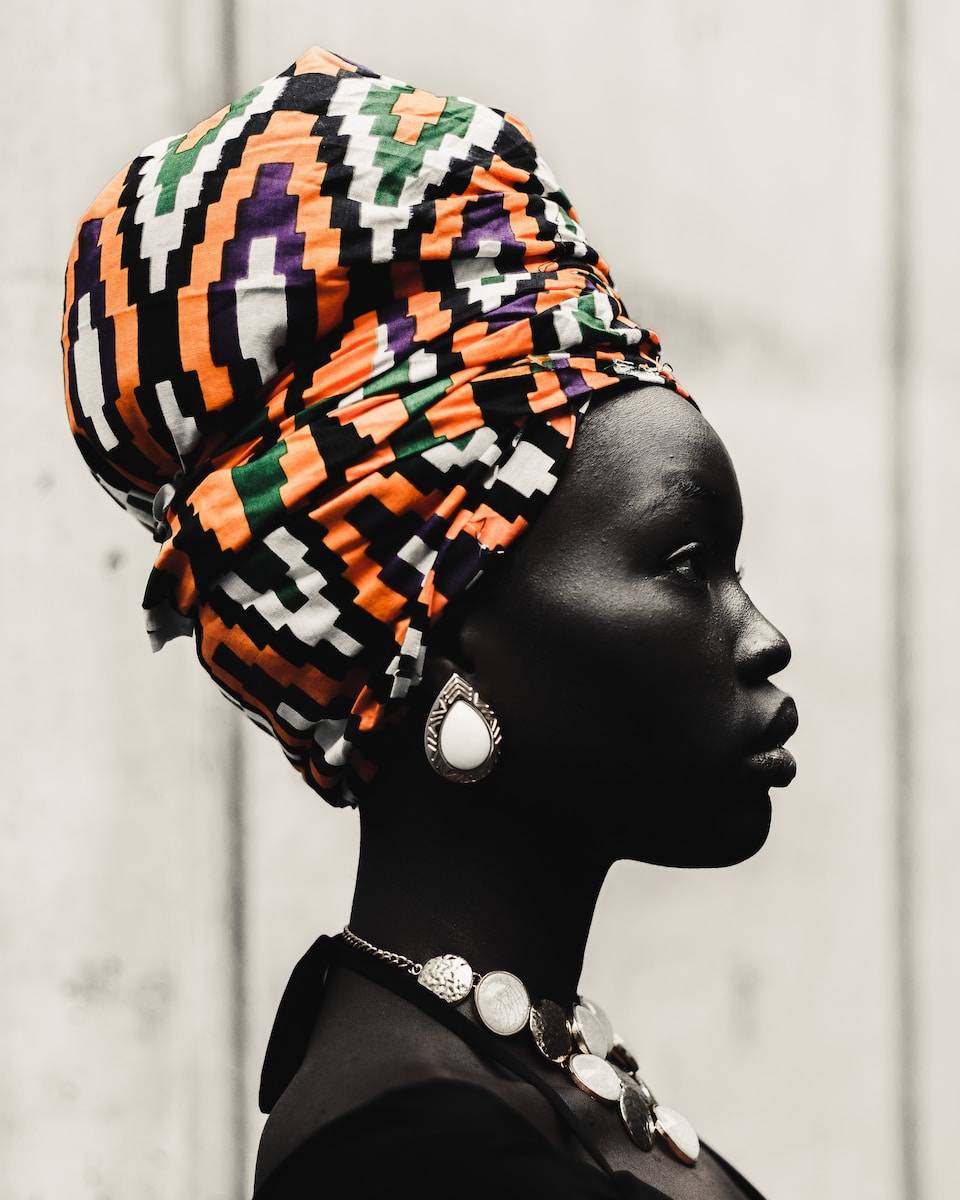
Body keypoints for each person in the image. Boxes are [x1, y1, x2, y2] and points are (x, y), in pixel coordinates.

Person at [62, 45, 797, 1200]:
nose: (762, 636)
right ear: (443, 634)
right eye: (686, 562)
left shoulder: (521, 1083)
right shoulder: (413, 1163)